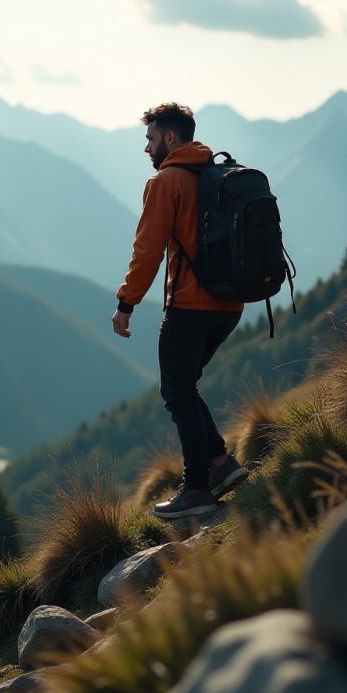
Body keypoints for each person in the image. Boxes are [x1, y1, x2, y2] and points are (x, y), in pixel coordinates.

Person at [112, 102, 247, 520]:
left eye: (150, 138)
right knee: (185, 387)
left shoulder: (166, 181)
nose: (146, 148)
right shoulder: (218, 171)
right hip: (231, 304)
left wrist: (125, 303)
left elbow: (147, 249)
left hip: (190, 305)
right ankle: (222, 466)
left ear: (171, 138)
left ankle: (196, 489)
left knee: (177, 392)